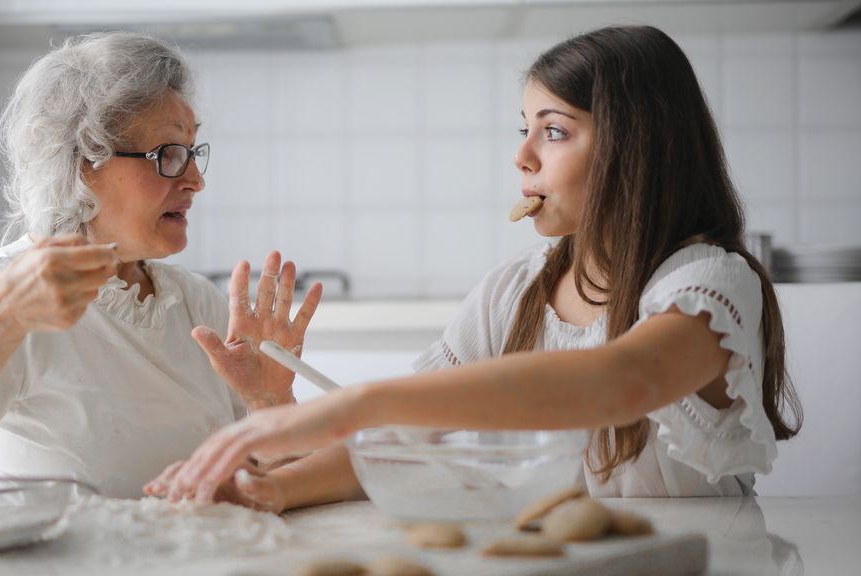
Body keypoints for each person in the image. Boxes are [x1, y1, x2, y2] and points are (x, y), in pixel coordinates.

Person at [146, 25, 803, 508]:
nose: (521, 157)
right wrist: (273, 488)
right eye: (523, 128)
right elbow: (406, 440)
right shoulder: (512, 293)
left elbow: (624, 381)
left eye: (553, 130)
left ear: (636, 149)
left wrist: (359, 400)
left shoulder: (709, 284)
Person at [0, 32, 321, 498]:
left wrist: (270, 404)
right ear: (80, 164)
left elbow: (266, 488)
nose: (196, 180)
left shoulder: (196, 304)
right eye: (168, 155)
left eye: (193, 153)